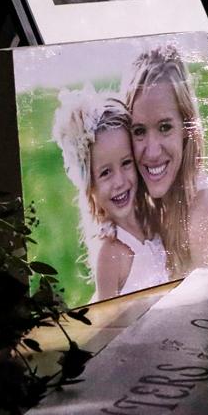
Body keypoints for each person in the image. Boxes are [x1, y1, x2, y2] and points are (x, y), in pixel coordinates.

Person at [52, 88, 167, 301]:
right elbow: (108, 324)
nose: (120, 181)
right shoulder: (111, 253)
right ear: (89, 185)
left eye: (126, 163)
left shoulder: (154, 220)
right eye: (105, 172)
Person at [125, 45, 208, 277]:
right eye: (139, 131)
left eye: (165, 127)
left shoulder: (202, 208)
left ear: (186, 129)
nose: (152, 151)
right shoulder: (144, 211)